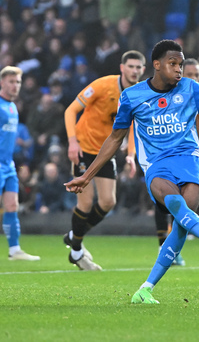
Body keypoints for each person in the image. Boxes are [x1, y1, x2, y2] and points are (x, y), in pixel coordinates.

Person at [65, 40, 199, 305]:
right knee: (175, 204)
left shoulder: (190, 88)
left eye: (181, 65)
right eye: (173, 64)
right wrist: (87, 176)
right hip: (157, 165)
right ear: (156, 65)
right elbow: (114, 139)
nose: (179, 70)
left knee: (182, 221)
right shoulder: (132, 96)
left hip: (190, 160)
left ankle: (145, 289)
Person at [63, 50, 145, 271]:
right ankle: (77, 251)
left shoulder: (140, 94)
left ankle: (74, 235)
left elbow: (133, 126)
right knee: (86, 202)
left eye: (139, 67)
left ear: (143, 70)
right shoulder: (102, 85)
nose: (135, 71)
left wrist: (131, 155)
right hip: (83, 148)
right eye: (131, 66)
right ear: (122, 68)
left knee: (108, 202)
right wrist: (72, 142)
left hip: (106, 151)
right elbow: (71, 110)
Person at [153, 58, 199, 266]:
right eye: (191, 75)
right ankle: (164, 244)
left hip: (188, 156)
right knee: (163, 201)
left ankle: (172, 246)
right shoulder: (164, 94)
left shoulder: (197, 94)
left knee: (185, 200)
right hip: (162, 156)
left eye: (197, 75)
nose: (194, 79)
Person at [0, 66, 40, 272]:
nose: (15, 86)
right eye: (11, 82)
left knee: (12, 205)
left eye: (17, 82)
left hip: (8, 165)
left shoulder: (13, 107)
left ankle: (14, 249)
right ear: (2, 83)